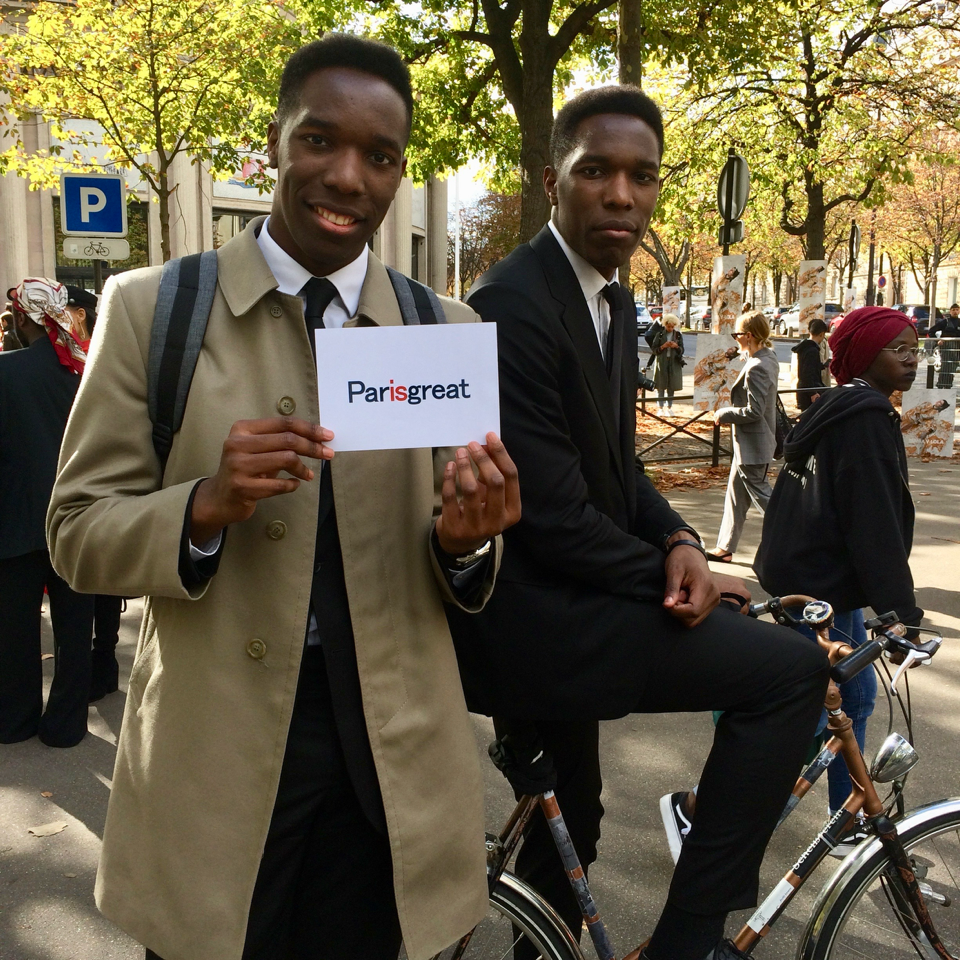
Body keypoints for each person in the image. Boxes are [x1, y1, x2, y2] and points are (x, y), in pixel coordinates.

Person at [47, 35, 520, 960]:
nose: (347, 175)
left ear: (399, 172)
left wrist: (469, 539)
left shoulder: (443, 330)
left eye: (379, 156)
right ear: (274, 142)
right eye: (319, 141)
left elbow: (468, 558)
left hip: (390, 761)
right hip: (215, 763)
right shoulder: (155, 311)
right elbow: (74, 534)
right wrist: (202, 505)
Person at [449, 84, 827, 960]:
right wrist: (678, 574)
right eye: (597, 172)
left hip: (576, 593)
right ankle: (684, 945)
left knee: (570, 820)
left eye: (642, 176)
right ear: (553, 181)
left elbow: (618, 474)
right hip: (535, 619)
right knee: (788, 676)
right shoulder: (511, 304)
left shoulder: (610, 301)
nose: (622, 194)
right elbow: (550, 516)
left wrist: (682, 539)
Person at [755, 306, 924, 836]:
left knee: (852, 700)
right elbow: (874, 526)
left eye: (915, 349)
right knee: (810, 708)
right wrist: (903, 616)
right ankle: (708, 810)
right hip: (820, 583)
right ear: (865, 356)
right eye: (899, 350)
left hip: (817, 576)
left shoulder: (840, 407)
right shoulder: (865, 419)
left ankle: (846, 823)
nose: (912, 359)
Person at [0, 279, 95, 747]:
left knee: (15, 629)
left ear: (22, 318)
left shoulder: (5, 371)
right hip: (77, 521)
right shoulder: (85, 371)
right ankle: (66, 725)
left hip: (15, 522)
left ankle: (15, 720)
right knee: (75, 630)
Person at [706, 310, 779, 563]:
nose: (735, 339)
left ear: (749, 335)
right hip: (751, 444)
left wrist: (724, 413)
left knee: (767, 501)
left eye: (737, 334)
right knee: (736, 497)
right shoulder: (766, 357)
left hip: (753, 444)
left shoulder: (758, 366)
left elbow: (754, 411)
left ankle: (804, 538)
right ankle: (725, 547)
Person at [792, 317, 828, 411]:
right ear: (821, 334)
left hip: (803, 389)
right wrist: (813, 393)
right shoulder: (812, 350)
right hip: (809, 392)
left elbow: (807, 367)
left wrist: (821, 365)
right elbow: (807, 373)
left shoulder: (804, 347)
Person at [651, 312, 684, 412]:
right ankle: (660, 407)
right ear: (665, 325)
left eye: (672, 327)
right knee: (660, 385)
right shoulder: (660, 335)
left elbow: (682, 350)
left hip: (674, 362)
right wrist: (663, 346)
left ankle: (669, 406)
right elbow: (654, 349)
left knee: (671, 385)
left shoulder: (678, 335)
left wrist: (676, 347)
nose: (670, 328)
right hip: (662, 361)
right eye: (668, 326)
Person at [927, 302, 960, 389]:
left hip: (957, 347)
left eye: (957, 310)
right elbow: (931, 331)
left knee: (953, 367)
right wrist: (937, 340)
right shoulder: (945, 322)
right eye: (953, 310)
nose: (955, 312)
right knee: (945, 366)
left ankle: (948, 386)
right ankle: (941, 385)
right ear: (950, 311)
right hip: (946, 346)